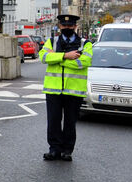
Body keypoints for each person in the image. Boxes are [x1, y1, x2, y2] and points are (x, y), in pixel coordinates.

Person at [39, 13, 92, 162]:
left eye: (70, 25)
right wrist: (65, 56)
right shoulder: (51, 41)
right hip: (53, 89)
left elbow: (84, 62)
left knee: (70, 122)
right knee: (53, 121)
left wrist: (57, 59)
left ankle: (67, 151)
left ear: (75, 26)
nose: (67, 28)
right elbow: (43, 57)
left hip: (74, 91)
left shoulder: (85, 44)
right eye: (64, 25)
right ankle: (54, 150)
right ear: (59, 26)